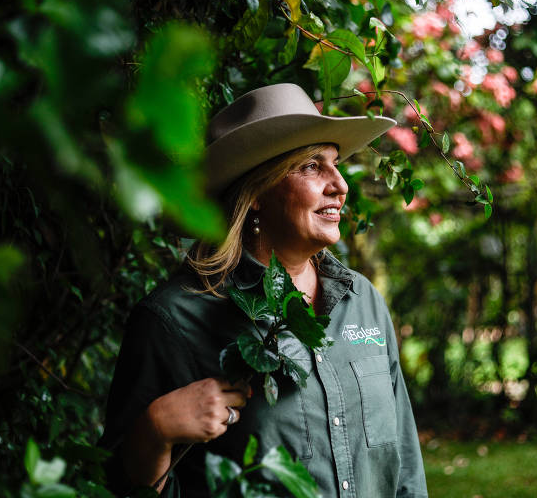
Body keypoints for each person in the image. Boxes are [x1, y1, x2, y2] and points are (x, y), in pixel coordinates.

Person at [100, 83, 429, 497]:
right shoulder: (173, 321)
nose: (340, 184)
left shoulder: (363, 303)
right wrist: (154, 431)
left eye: (334, 163)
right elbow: (121, 488)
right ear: (257, 193)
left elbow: (406, 471)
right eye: (311, 166)